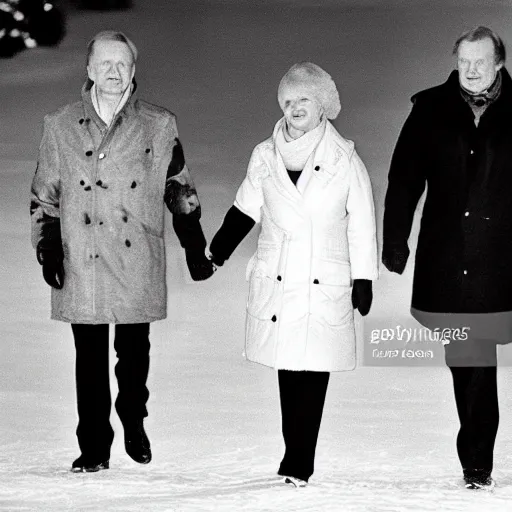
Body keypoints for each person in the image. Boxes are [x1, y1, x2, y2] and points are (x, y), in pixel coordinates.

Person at [30, 30, 214, 473]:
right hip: (83, 253)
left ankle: (134, 417)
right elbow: (44, 194)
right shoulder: (60, 124)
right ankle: (93, 446)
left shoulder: (158, 122)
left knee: (134, 353)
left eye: (122, 64)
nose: (113, 72)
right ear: (89, 70)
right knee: (88, 357)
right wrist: (49, 247)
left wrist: (193, 243)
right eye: (104, 64)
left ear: (133, 71)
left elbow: (178, 186)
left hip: (136, 250)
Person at [208, 63, 378, 487]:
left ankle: (300, 460)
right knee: (289, 366)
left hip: (324, 275)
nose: (294, 107)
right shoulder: (265, 155)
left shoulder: (344, 159)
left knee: (313, 368)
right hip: (282, 274)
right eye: (288, 100)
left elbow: (361, 222)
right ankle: (293, 452)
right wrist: (215, 253)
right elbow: (245, 208)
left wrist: (364, 278)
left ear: (323, 105)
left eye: (304, 99)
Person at [382, 26, 512, 490]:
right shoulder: (430, 111)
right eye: (464, 62)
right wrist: (395, 240)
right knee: (470, 363)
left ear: (499, 62)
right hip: (452, 259)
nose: (472, 71)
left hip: (506, 258)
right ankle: (476, 464)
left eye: (481, 61)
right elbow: (404, 181)